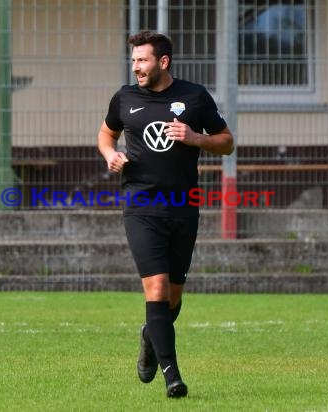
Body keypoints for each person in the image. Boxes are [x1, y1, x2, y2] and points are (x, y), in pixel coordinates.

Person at [97, 30, 234, 398]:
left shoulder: (193, 97)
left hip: (184, 207)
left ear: (163, 62)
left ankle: (149, 335)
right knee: (155, 289)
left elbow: (227, 141)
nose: (136, 67)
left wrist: (196, 138)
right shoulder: (124, 98)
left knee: (172, 298)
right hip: (141, 206)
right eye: (134, 61)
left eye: (142, 60)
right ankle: (173, 376)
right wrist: (110, 155)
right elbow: (106, 134)